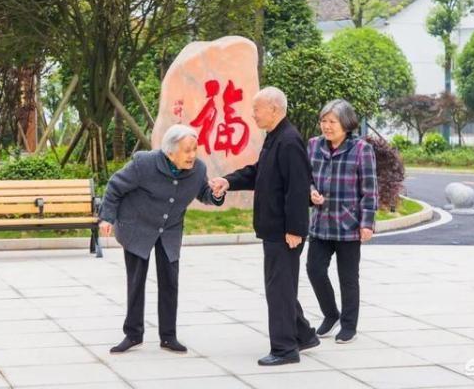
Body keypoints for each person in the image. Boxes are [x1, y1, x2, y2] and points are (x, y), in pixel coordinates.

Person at [210, 87, 320, 366]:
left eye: (257, 109)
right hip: (274, 228)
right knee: (281, 286)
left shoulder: (290, 141)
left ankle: (285, 349)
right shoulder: (275, 138)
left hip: (285, 232)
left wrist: (295, 229)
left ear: (274, 109)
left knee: (279, 289)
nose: (252, 114)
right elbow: (259, 172)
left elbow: (298, 189)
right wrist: (229, 181)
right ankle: (304, 335)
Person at [99, 125, 224, 354]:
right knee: (136, 282)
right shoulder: (144, 164)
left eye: (195, 149)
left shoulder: (197, 170)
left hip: (169, 230)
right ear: (170, 151)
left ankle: (168, 336)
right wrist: (107, 218)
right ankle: (133, 334)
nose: (192, 155)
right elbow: (115, 187)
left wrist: (215, 193)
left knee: (170, 281)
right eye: (187, 150)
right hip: (137, 226)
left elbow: (204, 193)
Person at [306, 99, 378, 344]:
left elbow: (370, 189)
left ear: (346, 123)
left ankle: (348, 325)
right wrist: (310, 191)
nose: (326, 126)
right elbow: (306, 178)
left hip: (349, 224)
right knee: (314, 270)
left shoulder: (361, 149)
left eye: (332, 122)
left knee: (348, 278)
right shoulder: (314, 146)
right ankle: (330, 314)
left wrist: (367, 223)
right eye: (323, 121)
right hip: (320, 223)